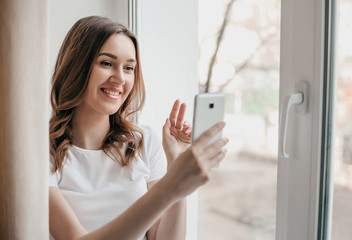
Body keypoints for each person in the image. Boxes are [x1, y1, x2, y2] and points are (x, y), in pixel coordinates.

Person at [49, 16, 228, 240]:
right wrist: (170, 186)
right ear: (77, 66)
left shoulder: (144, 142)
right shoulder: (44, 153)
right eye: (107, 63)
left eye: (129, 68)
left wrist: (176, 171)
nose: (120, 78)